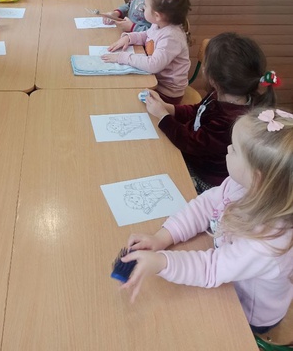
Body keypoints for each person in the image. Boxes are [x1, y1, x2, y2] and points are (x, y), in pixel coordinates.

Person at [117, 109, 293, 335]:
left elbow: (211, 269)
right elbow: (205, 205)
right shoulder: (242, 185)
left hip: (247, 313)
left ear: (256, 177)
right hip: (229, 276)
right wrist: (163, 237)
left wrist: (162, 262)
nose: (227, 149)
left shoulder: (267, 244)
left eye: (234, 149)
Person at [144, 32, 277, 193]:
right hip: (194, 153)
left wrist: (163, 117)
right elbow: (197, 111)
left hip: (205, 176)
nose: (203, 67)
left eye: (205, 63)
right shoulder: (222, 94)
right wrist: (168, 108)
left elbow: (191, 143)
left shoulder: (230, 120)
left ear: (212, 78)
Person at [102, 0, 190, 104]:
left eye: (146, 6)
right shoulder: (158, 24)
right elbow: (147, 35)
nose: (143, 8)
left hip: (166, 93)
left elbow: (153, 65)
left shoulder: (171, 37)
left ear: (157, 15)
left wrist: (123, 57)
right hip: (154, 80)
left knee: (122, 98)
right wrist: (129, 38)